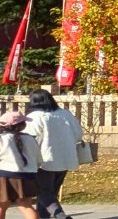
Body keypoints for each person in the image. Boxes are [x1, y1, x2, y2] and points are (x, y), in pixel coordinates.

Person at [23, 90, 83, 219]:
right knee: (51, 192)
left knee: (44, 192)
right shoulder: (65, 114)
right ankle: (44, 216)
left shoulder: (35, 116)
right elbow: (78, 135)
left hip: (43, 160)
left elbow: (29, 139)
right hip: (66, 158)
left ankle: (60, 215)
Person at [0, 111, 40, 219]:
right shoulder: (31, 139)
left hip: (4, 175)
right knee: (26, 206)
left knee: (1, 206)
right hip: (27, 176)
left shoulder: (2, 139)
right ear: (22, 125)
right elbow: (38, 158)